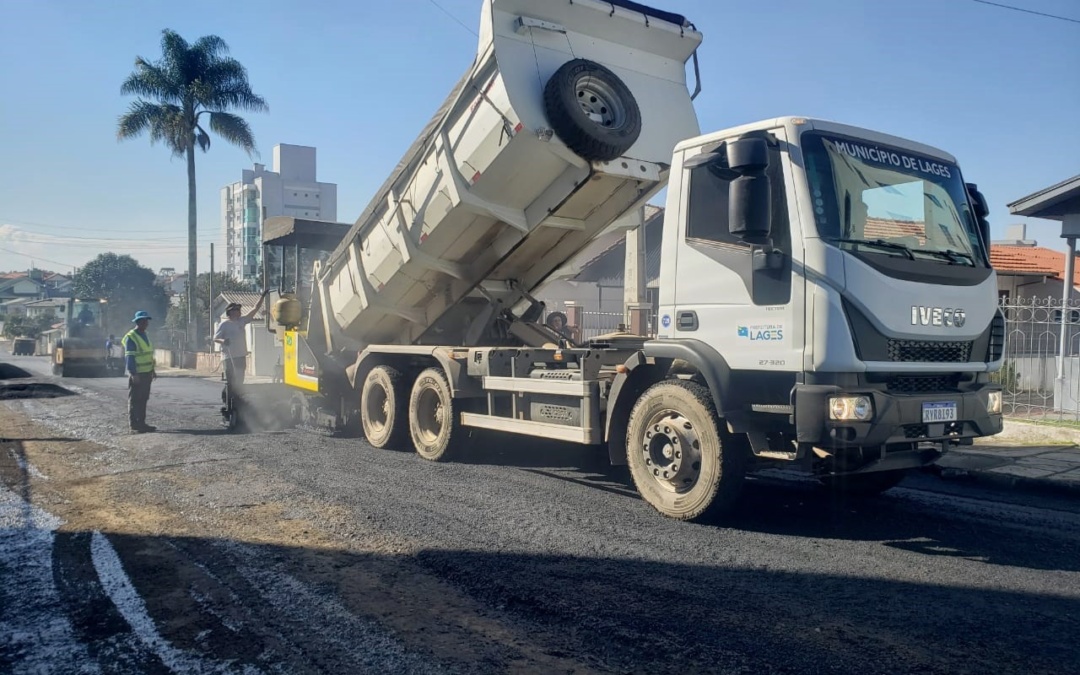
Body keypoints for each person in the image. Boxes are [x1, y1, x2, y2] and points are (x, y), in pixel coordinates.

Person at [213, 291, 269, 392]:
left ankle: (238, 397)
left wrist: (262, 296)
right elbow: (215, 338)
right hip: (229, 357)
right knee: (231, 380)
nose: (239, 311)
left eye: (239, 309)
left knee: (240, 380)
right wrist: (223, 341)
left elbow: (255, 309)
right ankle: (230, 397)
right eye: (237, 310)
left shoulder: (242, 321)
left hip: (241, 355)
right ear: (230, 312)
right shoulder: (224, 325)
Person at [123, 311, 156, 433]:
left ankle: (142, 423)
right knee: (135, 399)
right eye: (143, 321)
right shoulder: (131, 337)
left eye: (147, 321)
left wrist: (152, 370)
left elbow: (149, 355)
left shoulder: (145, 335)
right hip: (137, 374)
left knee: (144, 399)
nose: (146, 323)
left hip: (147, 373)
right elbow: (130, 357)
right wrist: (133, 373)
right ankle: (134, 425)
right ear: (137, 322)